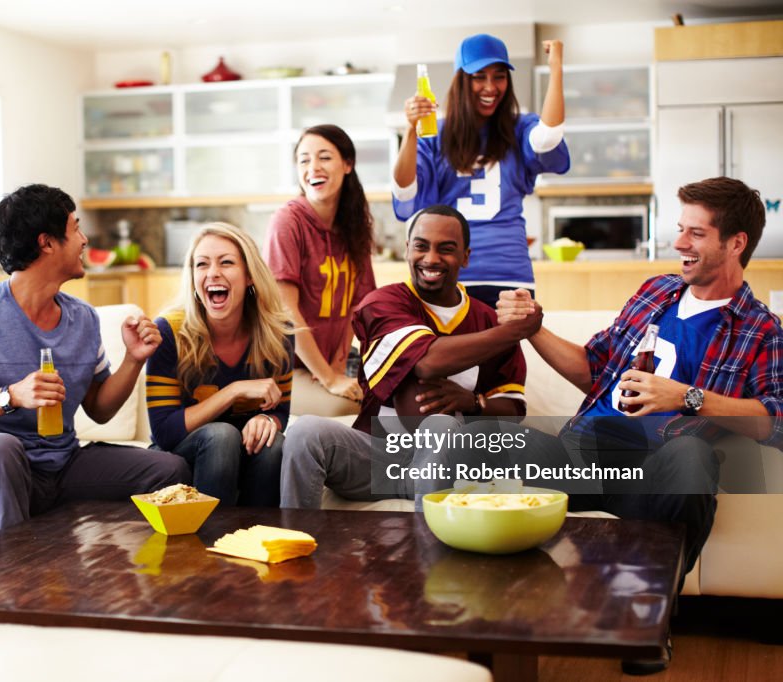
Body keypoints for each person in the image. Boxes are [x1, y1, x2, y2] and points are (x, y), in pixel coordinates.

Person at [494, 176, 782, 674]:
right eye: (680, 228)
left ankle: (647, 617)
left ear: (735, 243)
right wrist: (533, 327)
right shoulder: (656, 292)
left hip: (654, 478)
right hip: (580, 457)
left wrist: (688, 399)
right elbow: (592, 368)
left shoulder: (761, 327)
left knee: (692, 458)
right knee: (487, 441)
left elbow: (775, 420)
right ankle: (463, 615)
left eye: (696, 233)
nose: (678, 243)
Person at [0, 184, 190, 535]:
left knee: (170, 469)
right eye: (75, 228)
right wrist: (11, 396)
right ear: (46, 243)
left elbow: (99, 409)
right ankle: (11, 581)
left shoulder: (82, 318)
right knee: (1, 448)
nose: (84, 240)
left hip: (61, 464)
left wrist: (133, 360)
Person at [280, 204, 534, 509]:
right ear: (406, 250)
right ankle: (295, 544)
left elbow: (514, 408)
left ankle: (430, 554)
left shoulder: (486, 319)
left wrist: (472, 403)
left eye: (446, 249)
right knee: (304, 431)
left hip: (454, 465)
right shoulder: (383, 303)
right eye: (421, 246)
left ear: (466, 256)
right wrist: (514, 331)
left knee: (439, 427)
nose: (430, 258)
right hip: (375, 456)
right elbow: (427, 362)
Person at [393, 34, 570, 308]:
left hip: (508, 274)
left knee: (501, 351)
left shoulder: (519, 127)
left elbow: (548, 137)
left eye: (499, 76)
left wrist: (556, 67)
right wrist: (410, 129)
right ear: (461, 80)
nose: (490, 86)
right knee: (450, 351)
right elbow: (405, 190)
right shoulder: (433, 133)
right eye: (479, 76)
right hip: (449, 274)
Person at [147, 222, 294, 506]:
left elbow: (281, 411)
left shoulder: (279, 332)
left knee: (273, 443)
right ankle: (208, 544)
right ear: (192, 278)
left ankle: (256, 539)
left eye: (226, 263)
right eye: (201, 265)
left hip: (244, 454)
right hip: (182, 453)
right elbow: (164, 433)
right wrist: (234, 391)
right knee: (221, 435)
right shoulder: (169, 332)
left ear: (249, 275)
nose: (213, 272)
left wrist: (267, 420)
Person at [265, 124, 377, 417]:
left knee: (391, 398)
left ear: (347, 164)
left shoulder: (355, 225)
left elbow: (359, 305)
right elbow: (285, 311)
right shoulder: (288, 221)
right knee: (348, 407)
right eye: (304, 160)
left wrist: (338, 363)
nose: (313, 167)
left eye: (324, 157)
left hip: (328, 364)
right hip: (283, 370)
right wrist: (329, 377)